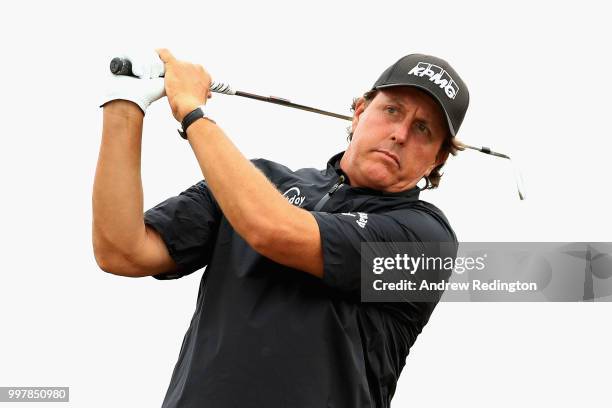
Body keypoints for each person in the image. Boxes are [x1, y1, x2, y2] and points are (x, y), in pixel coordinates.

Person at [92, 49, 469, 408]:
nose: (400, 134)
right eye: (392, 110)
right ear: (359, 112)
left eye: (423, 129)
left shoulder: (426, 238)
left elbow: (274, 231)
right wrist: (125, 105)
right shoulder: (258, 180)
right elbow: (123, 250)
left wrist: (193, 113)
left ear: (436, 159)